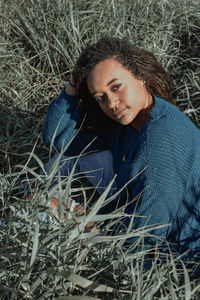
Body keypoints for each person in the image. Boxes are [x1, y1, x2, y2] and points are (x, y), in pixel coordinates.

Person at [42, 37, 200, 267]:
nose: (112, 103)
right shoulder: (130, 124)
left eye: (116, 87)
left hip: (179, 255)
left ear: (140, 76)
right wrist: (74, 86)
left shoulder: (160, 141)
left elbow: (145, 237)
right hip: (146, 230)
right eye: (100, 97)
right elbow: (59, 138)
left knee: (43, 215)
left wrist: (80, 219)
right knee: (57, 173)